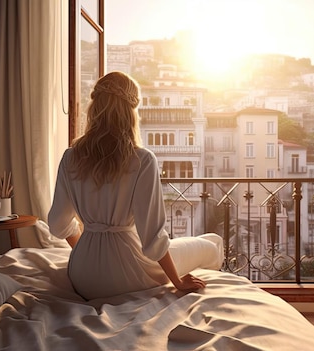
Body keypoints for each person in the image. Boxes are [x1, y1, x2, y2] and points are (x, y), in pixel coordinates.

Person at [48, 71, 223, 300]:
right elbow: (152, 238)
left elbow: (57, 224)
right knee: (212, 244)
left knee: (203, 244)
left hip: (82, 276)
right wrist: (177, 282)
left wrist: (89, 250)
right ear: (131, 112)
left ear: (94, 109)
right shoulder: (142, 160)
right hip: (129, 274)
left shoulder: (70, 157)